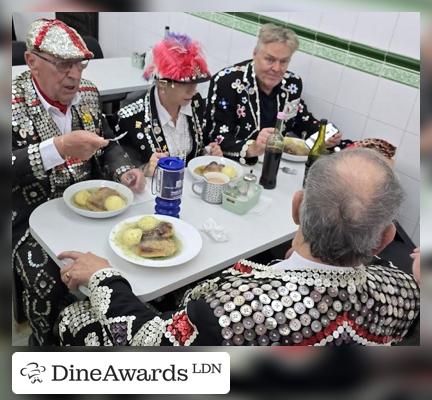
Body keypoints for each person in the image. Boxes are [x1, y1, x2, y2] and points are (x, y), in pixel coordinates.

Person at [56, 148, 419, 346]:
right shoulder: (406, 293)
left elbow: (152, 343)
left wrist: (105, 277)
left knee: (73, 318)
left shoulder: (230, 312)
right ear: (386, 239)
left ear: (296, 207)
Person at [12, 18, 145, 345]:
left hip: (90, 206)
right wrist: (56, 148)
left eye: (80, 64)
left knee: (134, 253)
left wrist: (122, 170)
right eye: (62, 65)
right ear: (31, 62)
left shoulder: (87, 93)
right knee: (50, 275)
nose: (75, 75)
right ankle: (46, 347)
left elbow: (109, 141)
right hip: (27, 215)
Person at [204, 23, 342, 165]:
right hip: (232, 166)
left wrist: (325, 136)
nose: (277, 68)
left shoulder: (291, 84)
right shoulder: (227, 82)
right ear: (255, 54)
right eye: (269, 59)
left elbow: (301, 120)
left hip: (275, 165)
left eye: (284, 61)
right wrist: (253, 148)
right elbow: (216, 137)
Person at [115, 32, 222, 177]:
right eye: (184, 83)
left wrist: (208, 152)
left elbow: (196, 150)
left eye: (195, 82)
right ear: (162, 83)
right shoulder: (131, 118)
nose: (193, 89)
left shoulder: (195, 103)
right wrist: (145, 170)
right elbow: (121, 172)